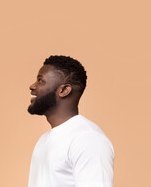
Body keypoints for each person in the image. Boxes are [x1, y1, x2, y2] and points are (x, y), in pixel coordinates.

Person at [27, 55, 114, 187]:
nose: (32, 86)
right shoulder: (43, 140)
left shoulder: (88, 139)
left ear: (63, 90)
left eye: (40, 80)